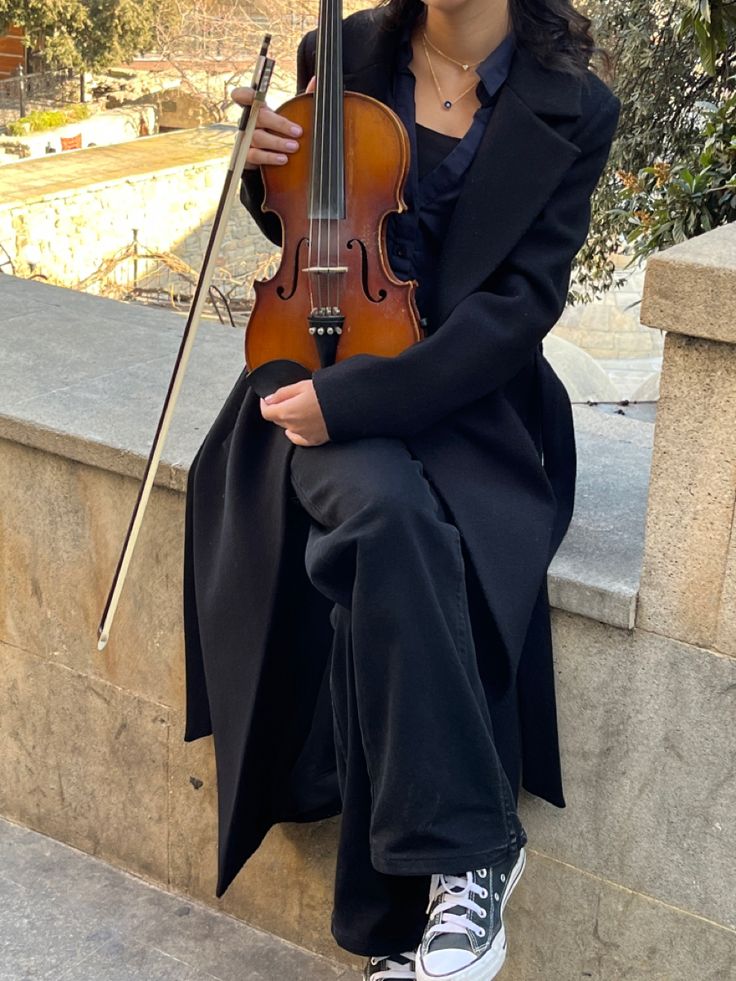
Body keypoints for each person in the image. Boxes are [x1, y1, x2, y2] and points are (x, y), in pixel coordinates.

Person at [182, 1, 621, 979]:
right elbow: (305, 220)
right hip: (320, 353)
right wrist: (259, 171)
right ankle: (470, 853)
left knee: (417, 531)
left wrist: (369, 402)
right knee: (384, 515)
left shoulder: (577, 107)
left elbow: (519, 308)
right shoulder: (335, 51)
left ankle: (417, 912)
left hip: (464, 395)